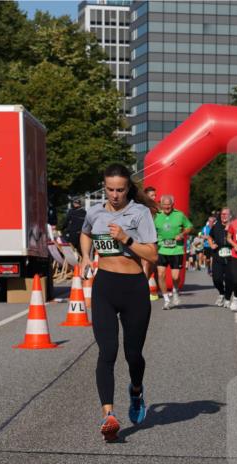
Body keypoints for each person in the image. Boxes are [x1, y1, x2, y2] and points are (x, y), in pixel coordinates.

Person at [80, 164, 159, 442]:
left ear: (129, 188)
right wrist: (86, 258)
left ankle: (136, 391)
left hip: (134, 288)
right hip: (105, 287)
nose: (115, 195)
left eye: (120, 190)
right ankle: (108, 415)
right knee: (107, 351)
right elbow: (86, 232)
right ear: (105, 187)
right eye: (110, 189)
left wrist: (125, 238)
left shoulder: (139, 213)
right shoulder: (95, 212)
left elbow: (153, 254)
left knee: (133, 355)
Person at [153, 194, 192, 310]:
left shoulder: (179, 215)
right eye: (164, 205)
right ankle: (166, 300)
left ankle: (175, 290)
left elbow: (189, 226)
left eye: (168, 205)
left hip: (176, 250)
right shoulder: (156, 216)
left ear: (172, 205)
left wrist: (182, 234)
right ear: (161, 205)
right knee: (160, 274)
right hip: (162, 249)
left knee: (175, 277)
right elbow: (151, 230)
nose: (166, 207)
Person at [208, 207, 232, 306]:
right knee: (216, 279)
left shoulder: (234, 226)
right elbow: (210, 236)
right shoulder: (216, 226)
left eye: (226, 214)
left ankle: (227, 298)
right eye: (222, 214)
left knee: (230, 279)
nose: (224, 216)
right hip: (218, 255)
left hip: (231, 256)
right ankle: (222, 293)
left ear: (230, 216)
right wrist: (211, 244)